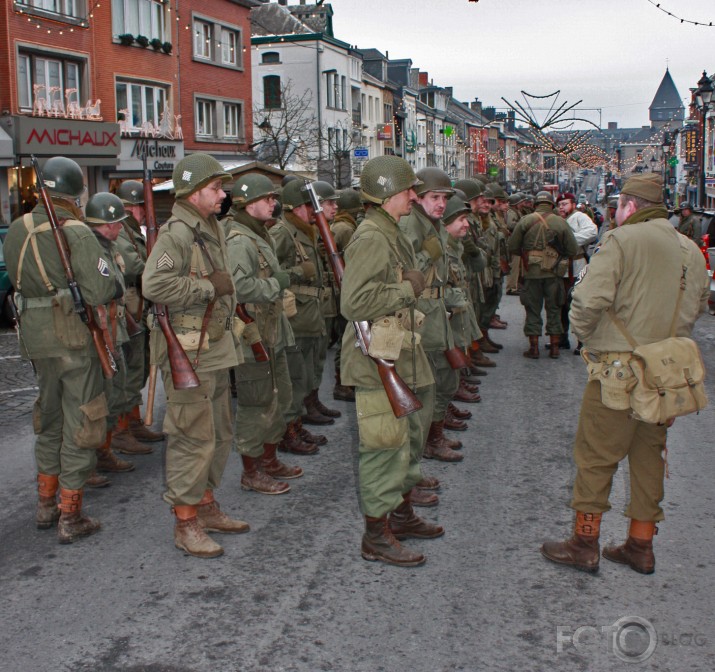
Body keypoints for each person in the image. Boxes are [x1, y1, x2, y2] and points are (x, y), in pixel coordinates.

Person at [541, 173, 709, 574]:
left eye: (618, 207)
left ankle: (584, 542)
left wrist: (587, 337)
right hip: (665, 372)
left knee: (596, 455)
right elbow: (699, 303)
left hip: (618, 369)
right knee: (649, 455)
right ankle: (640, 544)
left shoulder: (620, 241)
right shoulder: (690, 249)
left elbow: (586, 300)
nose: (614, 214)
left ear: (630, 206)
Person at [4, 156, 117, 544]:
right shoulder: (77, 231)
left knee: (49, 418)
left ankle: (46, 502)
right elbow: (102, 289)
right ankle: (71, 513)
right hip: (72, 336)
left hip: (35, 339)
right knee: (83, 419)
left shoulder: (16, 229)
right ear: (76, 192)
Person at [143, 153, 248, 559]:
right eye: (215, 188)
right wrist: (207, 287)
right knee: (192, 436)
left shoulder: (209, 226)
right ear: (192, 191)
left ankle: (205, 504)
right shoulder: (178, 233)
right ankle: (186, 522)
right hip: (189, 349)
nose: (222, 194)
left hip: (213, 346)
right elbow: (155, 284)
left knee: (220, 431)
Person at [341, 155, 442, 567]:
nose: (413, 197)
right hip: (375, 355)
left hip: (397, 345)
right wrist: (407, 288)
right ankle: (376, 536)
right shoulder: (371, 237)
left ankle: (399, 515)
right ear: (386, 194)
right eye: (407, 191)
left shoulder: (391, 231)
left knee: (406, 440)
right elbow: (355, 303)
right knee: (384, 445)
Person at [223, 173, 301, 495]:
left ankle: (269, 459)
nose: (274, 203)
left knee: (279, 396)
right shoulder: (240, 240)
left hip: (271, 333)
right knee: (256, 403)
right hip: (252, 334)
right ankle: (251, 471)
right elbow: (239, 288)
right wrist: (277, 284)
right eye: (268, 199)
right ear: (248, 203)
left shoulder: (259, 234)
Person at [399, 167, 463, 463]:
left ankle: (432, 437)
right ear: (418, 197)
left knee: (444, 377)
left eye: (444, 198)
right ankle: (424, 444)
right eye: (434, 197)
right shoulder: (411, 224)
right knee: (428, 381)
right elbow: (405, 271)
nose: (441, 203)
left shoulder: (431, 223)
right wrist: (428, 254)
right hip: (420, 312)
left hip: (436, 310)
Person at [270, 180, 331, 450]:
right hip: (295, 317)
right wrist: (296, 273)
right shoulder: (283, 232)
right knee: (294, 377)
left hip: (310, 314)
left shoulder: (307, 231)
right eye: (310, 206)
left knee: (306, 373)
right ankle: (289, 432)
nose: (314, 211)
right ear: (295, 207)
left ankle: (299, 423)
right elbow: (270, 272)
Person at [114, 180, 165, 445]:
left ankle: (132, 422)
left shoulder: (133, 231)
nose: (144, 212)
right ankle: (121, 430)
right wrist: (156, 269)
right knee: (131, 367)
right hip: (128, 304)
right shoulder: (121, 230)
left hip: (138, 303)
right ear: (129, 208)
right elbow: (133, 266)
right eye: (140, 207)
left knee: (140, 366)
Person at [507, 191, 578, 359]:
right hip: (554, 274)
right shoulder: (560, 222)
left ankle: (534, 348)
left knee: (532, 310)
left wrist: (528, 254)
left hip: (531, 273)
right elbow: (572, 249)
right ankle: (554, 347)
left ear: (535, 204)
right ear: (552, 204)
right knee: (554, 309)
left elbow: (513, 246)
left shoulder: (526, 221)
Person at [556, 192, 598, 351]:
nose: (561, 207)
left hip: (577, 264)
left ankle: (581, 341)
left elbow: (592, 232)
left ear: (573, 204)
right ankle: (561, 337)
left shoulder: (580, 217)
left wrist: (570, 241)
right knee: (560, 303)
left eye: (565, 204)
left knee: (577, 303)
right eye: (559, 204)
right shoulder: (558, 220)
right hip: (560, 266)